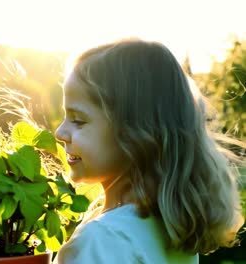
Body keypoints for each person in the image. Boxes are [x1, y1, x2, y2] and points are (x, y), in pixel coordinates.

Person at [54, 39, 244, 263]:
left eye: (78, 120)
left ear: (133, 133)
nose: (59, 132)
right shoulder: (172, 231)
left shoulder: (101, 241)